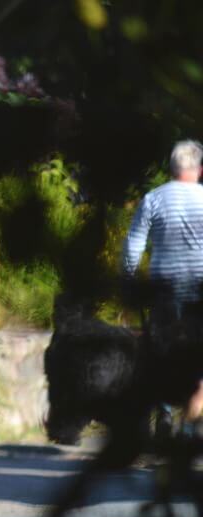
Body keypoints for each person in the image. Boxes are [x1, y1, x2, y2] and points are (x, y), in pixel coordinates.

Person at [122, 139, 203, 433]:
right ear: (199, 169)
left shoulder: (153, 199)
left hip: (162, 288)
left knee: (162, 350)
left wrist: (129, 279)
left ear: (171, 168)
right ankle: (191, 423)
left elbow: (134, 245)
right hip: (199, 289)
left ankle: (165, 412)